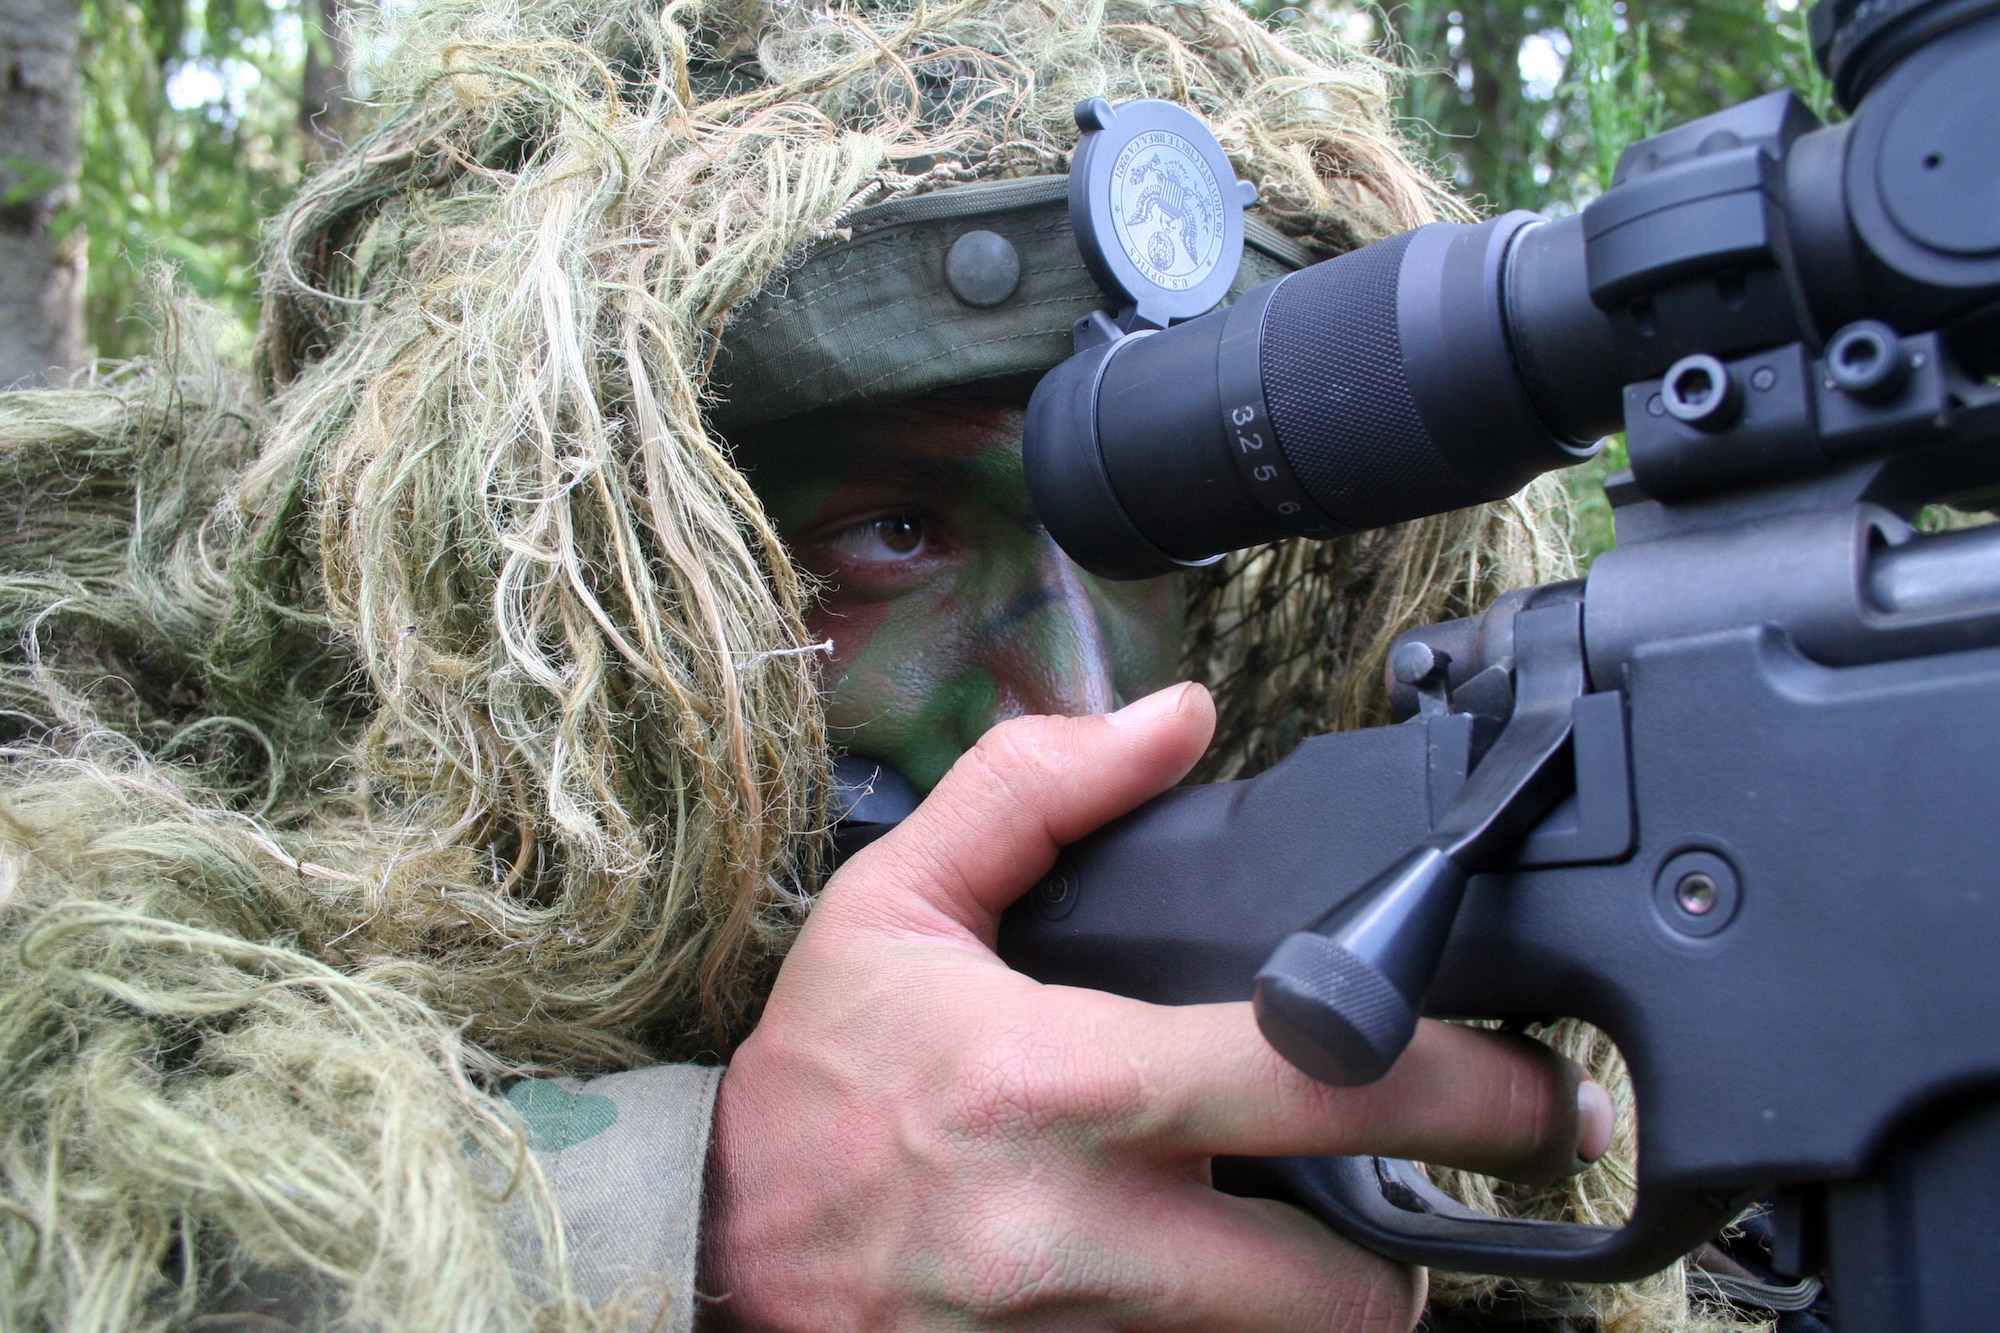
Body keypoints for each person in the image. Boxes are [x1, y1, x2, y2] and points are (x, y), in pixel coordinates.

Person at [0, 0, 1740, 1328]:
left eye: (1160, 532)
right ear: (577, 603)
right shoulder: (167, 855)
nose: (1084, 699)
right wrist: (707, 1224)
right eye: (897, 533)